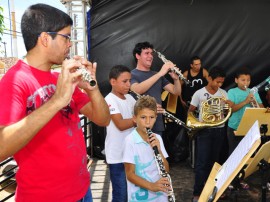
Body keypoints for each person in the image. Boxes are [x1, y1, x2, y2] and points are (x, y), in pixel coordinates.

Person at [0, 4, 110, 202]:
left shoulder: (61, 77)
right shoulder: (14, 80)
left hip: (82, 190)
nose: (70, 44)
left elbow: (103, 119)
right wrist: (57, 101)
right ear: (44, 39)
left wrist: (92, 89)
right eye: (66, 37)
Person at [188, 67, 232, 201]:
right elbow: (191, 111)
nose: (219, 85)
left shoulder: (224, 93)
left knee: (215, 163)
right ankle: (198, 193)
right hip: (205, 131)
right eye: (217, 82)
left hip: (219, 130)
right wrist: (195, 123)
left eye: (221, 83)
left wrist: (228, 106)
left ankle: (213, 190)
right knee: (202, 163)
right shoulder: (199, 93)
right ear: (209, 78)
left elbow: (226, 112)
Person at [122, 95, 171, 201]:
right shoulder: (130, 141)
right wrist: (152, 186)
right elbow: (130, 174)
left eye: (152, 117)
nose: (148, 122)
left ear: (156, 117)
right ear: (135, 118)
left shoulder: (157, 138)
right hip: (140, 197)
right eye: (143, 117)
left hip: (160, 195)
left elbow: (166, 169)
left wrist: (159, 150)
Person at [130, 41, 181, 136]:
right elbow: (136, 89)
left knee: (157, 150)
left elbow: (176, 92)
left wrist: (176, 79)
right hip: (141, 125)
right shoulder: (132, 74)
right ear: (137, 56)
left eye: (151, 53)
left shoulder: (156, 74)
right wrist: (161, 73)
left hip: (157, 124)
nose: (150, 56)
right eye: (146, 53)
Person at [105, 65, 136, 201]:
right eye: (125, 81)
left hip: (131, 154)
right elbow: (121, 124)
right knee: (121, 194)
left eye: (130, 81)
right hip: (117, 156)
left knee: (131, 193)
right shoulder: (109, 100)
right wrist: (141, 118)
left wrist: (150, 110)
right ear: (113, 82)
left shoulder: (130, 98)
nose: (129, 85)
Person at [227, 68, 263, 154]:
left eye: (248, 80)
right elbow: (231, 110)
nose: (246, 83)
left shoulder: (253, 92)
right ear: (236, 80)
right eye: (243, 80)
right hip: (235, 127)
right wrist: (245, 102)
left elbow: (262, 109)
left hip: (250, 128)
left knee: (250, 154)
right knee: (235, 154)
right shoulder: (232, 92)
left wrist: (255, 103)